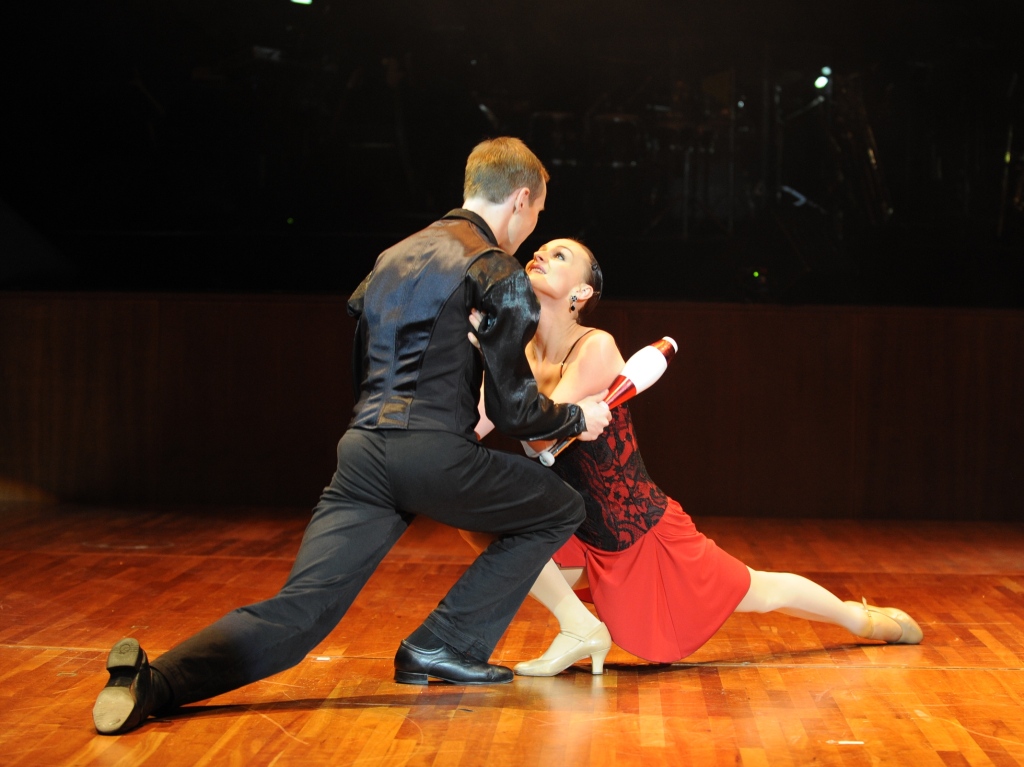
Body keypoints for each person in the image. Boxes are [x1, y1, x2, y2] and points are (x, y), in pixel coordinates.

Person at [92, 139, 613, 735]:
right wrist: (576, 419)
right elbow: (514, 410)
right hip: (432, 450)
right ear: (522, 198)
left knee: (302, 611)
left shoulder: (391, 258)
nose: (533, 229)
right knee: (559, 506)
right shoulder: (495, 271)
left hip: (362, 448)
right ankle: (444, 643)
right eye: (539, 214)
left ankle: (154, 684)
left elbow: (366, 354)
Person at [464, 237, 923, 676]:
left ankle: (859, 620)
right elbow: (480, 425)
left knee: (758, 590)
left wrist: (496, 358)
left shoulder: (595, 347)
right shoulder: (520, 351)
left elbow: (542, 438)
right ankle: (579, 629)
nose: (541, 254)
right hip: (577, 528)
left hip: (639, 529)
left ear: (582, 291)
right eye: (541, 250)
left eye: (559, 255)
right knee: (495, 530)